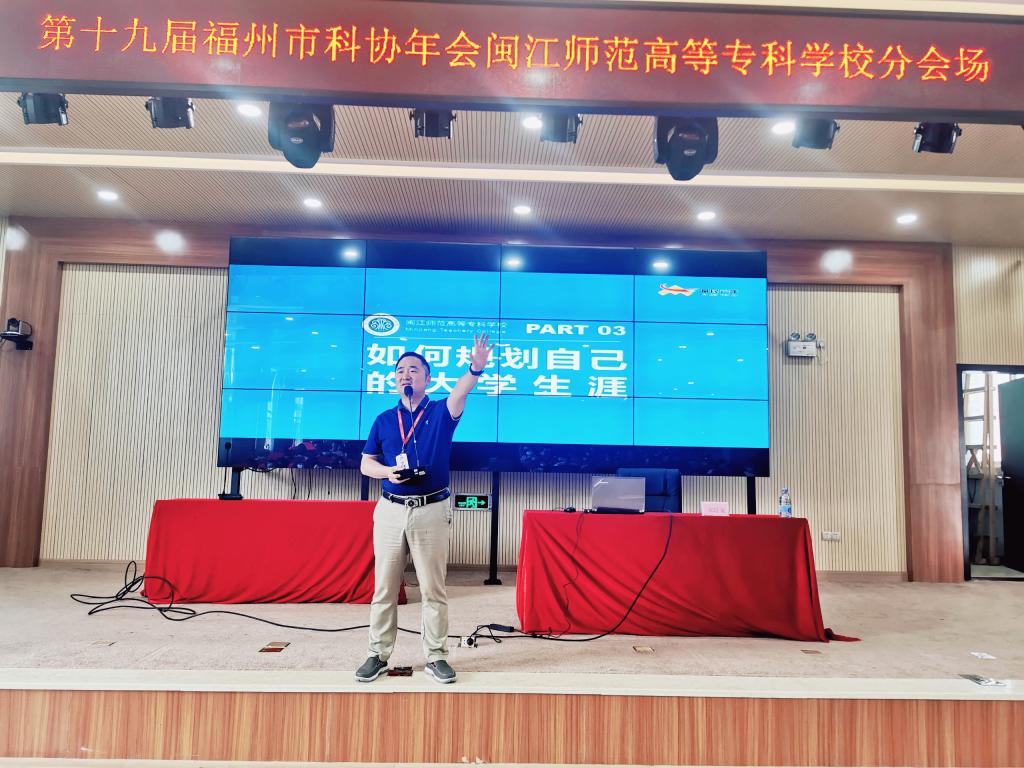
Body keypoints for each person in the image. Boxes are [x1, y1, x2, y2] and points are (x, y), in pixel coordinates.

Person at [356, 333, 493, 684]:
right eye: (400, 370)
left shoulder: (441, 412)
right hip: (390, 509)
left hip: (431, 509)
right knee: (384, 588)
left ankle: (436, 656)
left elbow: (460, 392)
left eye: (413, 370)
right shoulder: (384, 420)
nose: (406, 375)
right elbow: (366, 464)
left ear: (427, 378)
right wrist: (388, 472)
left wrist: (475, 369)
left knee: (433, 588)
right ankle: (377, 654)